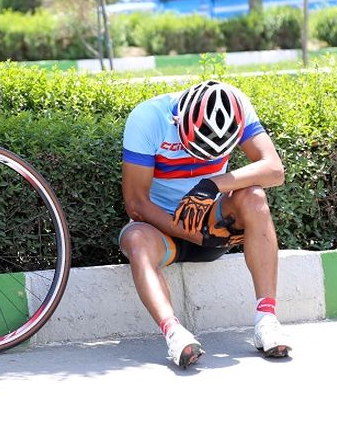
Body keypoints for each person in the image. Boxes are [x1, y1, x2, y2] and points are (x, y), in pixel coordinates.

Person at [119, 80, 289, 368]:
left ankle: (267, 319)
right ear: (178, 122)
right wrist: (198, 235)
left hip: (211, 222)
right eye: (193, 149)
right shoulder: (147, 118)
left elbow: (274, 169)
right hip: (162, 232)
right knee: (135, 239)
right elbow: (136, 204)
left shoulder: (236, 104)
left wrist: (212, 184)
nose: (199, 160)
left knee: (255, 197)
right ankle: (174, 333)